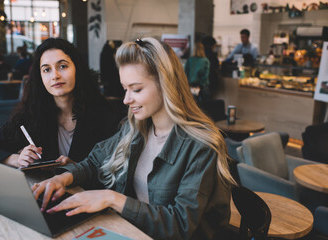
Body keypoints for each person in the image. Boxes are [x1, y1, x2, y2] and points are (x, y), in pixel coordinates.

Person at [32, 37, 235, 239]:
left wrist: (112, 199)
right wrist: (62, 178)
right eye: (125, 89)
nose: (127, 99)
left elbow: (180, 225)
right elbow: (94, 162)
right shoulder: (135, 128)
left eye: (136, 89)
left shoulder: (202, 146)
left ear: (166, 84)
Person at [0, 38, 122, 168]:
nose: (55, 76)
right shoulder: (32, 116)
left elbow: (114, 170)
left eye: (62, 66)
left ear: (78, 69)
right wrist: (15, 159)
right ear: (40, 77)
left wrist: (78, 170)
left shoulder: (104, 116)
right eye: (46, 70)